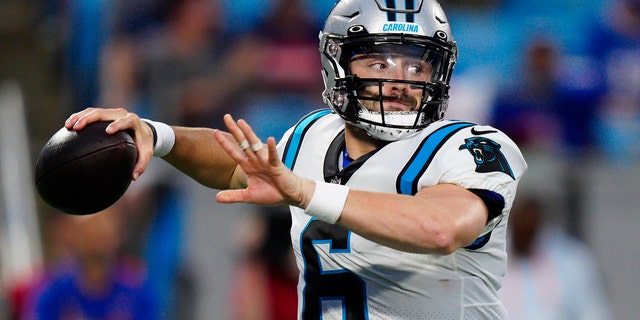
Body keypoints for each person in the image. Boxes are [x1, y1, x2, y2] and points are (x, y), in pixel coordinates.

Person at [63, 0, 527, 318]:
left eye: (417, 64)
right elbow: (234, 162)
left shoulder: (471, 146)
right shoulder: (314, 135)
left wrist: (308, 192)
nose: (402, 81)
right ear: (338, 65)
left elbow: (440, 227)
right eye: (379, 63)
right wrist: (158, 134)